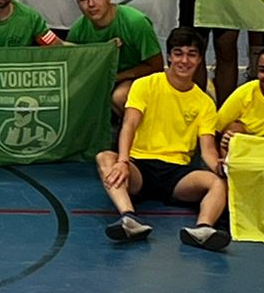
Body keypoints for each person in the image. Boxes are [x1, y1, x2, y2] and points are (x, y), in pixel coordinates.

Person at [95, 27, 229, 252]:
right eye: (178, 53)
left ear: (199, 60)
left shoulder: (205, 102)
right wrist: (123, 161)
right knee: (105, 158)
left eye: (191, 55)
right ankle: (129, 218)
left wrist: (219, 167)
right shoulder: (145, 85)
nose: (184, 60)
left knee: (216, 183)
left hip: (177, 174)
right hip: (139, 166)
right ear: (169, 56)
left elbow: (207, 149)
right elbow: (129, 124)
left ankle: (203, 229)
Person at [64, 0, 163, 112]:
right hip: (102, 82)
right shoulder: (78, 29)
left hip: (138, 80)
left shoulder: (136, 22)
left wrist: (116, 77)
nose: (91, 4)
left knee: (119, 96)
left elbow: (157, 67)